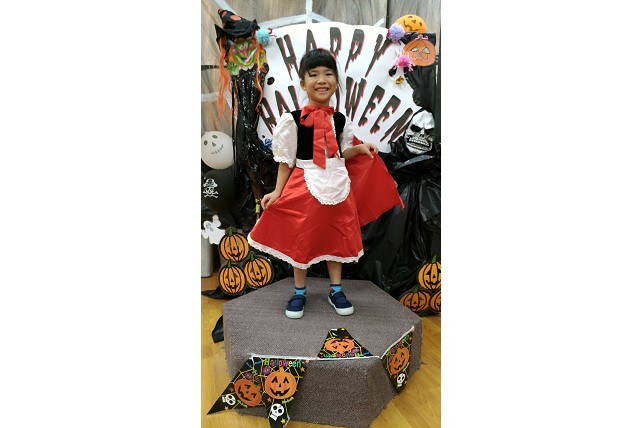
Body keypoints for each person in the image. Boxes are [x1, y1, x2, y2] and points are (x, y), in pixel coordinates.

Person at [247, 48, 380, 319]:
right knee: (302, 237)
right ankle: (299, 291)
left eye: (328, 74)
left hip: (338, 184)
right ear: (303, 82)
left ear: (336, 81)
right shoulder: (293, 120)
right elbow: (286, 161)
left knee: (338, 236)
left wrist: (359, 148)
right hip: (305, 183)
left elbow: (341, 151)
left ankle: (336, 290)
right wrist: (277, 191)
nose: (322, 80)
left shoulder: (340, 120)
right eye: (314, 74)